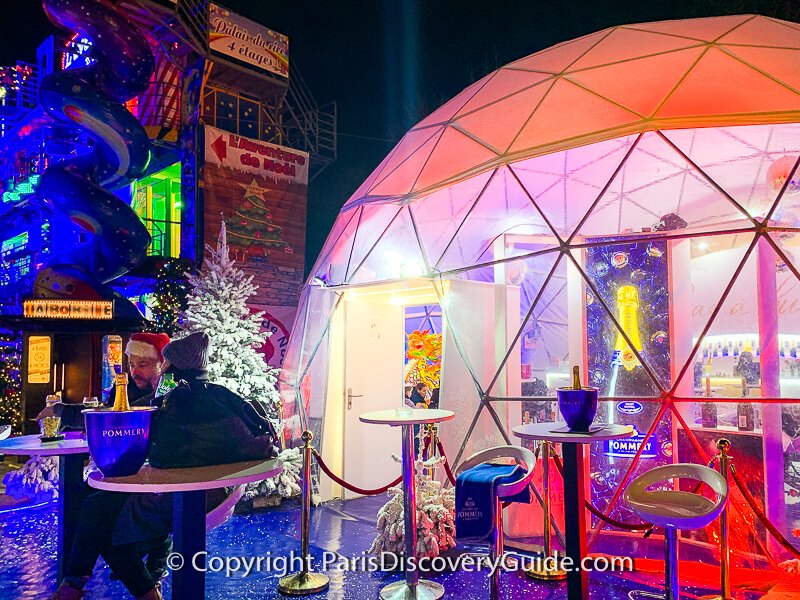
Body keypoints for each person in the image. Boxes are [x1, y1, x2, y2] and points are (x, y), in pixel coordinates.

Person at [50, 332, 278, 600]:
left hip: (188, 494)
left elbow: (136, 435)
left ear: (166, 365)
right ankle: (106, 585)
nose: (135, 371)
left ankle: (83, 587)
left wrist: (59, 411)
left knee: (101, 520)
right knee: (101, 511)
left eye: (144, 364)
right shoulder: (220, 396)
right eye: (131, 364)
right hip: (216, 490)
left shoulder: (173, 400)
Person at [106, 333, 170, 407]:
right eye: (132, 365)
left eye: (142, 365)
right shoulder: (122, 386)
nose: (135, 372)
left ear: (161, 365)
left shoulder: (168, 387)